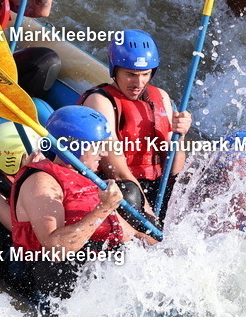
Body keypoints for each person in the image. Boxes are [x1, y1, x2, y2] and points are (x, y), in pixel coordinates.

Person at [8, 106, 157, 298]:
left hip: (102, 262)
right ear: (74, 146)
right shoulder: (41, 182)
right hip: (58, 276)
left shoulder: (85, 177)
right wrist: (104, 208)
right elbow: (55, 249)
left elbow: (131, 234)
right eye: (97, 146)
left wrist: (161, 252)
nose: (103, 154)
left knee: (131, 196)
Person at [80, 30, 192, 214]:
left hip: (159, 186)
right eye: (131, 74)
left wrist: (180, 138)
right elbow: (116, 171)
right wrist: (148, 216)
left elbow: (175, 171)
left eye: (145, 74)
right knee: (129, 193)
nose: (139, 83)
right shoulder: (100, 101)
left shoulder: (161, 97)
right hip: (121, 188)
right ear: (114, 69)